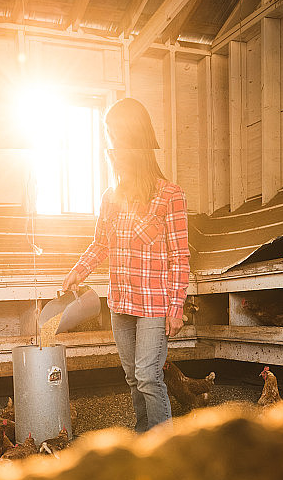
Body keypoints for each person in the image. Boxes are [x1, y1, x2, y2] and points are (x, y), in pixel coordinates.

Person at [63, 97, 190, 432]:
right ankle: (143, 438)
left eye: (116, 140)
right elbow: (101, 243)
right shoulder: (111, 197)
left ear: (134, 142)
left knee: (149, 377)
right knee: (133, 377)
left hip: (153, 304)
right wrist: (79, 269)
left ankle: (164, 447)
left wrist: (177, 306)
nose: (112, 148)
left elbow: (179, 257)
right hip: (120, 302)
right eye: (110, 140)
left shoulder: (170, 195)